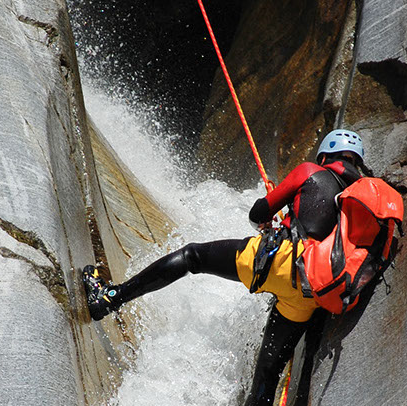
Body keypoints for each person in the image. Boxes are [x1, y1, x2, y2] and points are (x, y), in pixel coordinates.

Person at [83, 129, 367, 406]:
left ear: (324, 157)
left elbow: (258, 213)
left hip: (281, 262)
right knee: (267, 376)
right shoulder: (360, 198)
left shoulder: (310, 171)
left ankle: (109, 298)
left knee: (193, 256)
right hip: (312, 292)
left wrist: (271, 221)